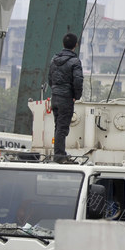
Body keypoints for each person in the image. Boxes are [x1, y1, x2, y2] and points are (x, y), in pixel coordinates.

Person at [48, 32, 83, 163]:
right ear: (76, 45)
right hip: (66, 97)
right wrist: (76, 96)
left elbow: (50, 77)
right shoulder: (75, 61)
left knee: (58, 126)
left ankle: (60, 152)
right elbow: (78, 80)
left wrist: (55, 89)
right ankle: (59, 155)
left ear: (63, 44)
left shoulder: (54, 59)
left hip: (55, 96)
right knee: (62, 128)